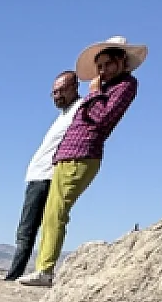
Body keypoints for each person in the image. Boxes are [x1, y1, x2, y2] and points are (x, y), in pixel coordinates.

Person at [18, 36, 146, 288]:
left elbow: (101, 117)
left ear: (122, 61)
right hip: (68, 155)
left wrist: (95, 91)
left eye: (108, 64)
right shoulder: (108, 87)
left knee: (56, 213)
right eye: (99, 66)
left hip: (82, 153)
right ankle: (43, 267)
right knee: (52, 213)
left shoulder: (125, 86)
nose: (102, 70)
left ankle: (45, 270)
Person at [5, 70, 83, 281]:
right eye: (53, 92)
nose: (56, 96)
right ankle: (20, 272)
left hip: (46, 175)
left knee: (28, 228)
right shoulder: (63, 114)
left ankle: (15, 275)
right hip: (38, 174)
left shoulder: (79, 108)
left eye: (60, 90)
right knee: (29, 226)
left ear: (74, 87)